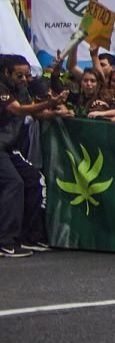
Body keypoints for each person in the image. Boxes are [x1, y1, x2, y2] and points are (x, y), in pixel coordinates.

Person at [0, 55, 58, 257]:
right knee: (14, 183)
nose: (25, 79)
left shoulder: (22, 90)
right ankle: (5, 241)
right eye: (20, 75)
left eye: (27, 75)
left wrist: (57, 111)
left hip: (8, 148)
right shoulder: (2, 88)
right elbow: (17, 110)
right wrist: (47, 103)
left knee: (33, 179)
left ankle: (29, 237)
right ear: (7, 73)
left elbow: (35, 114)